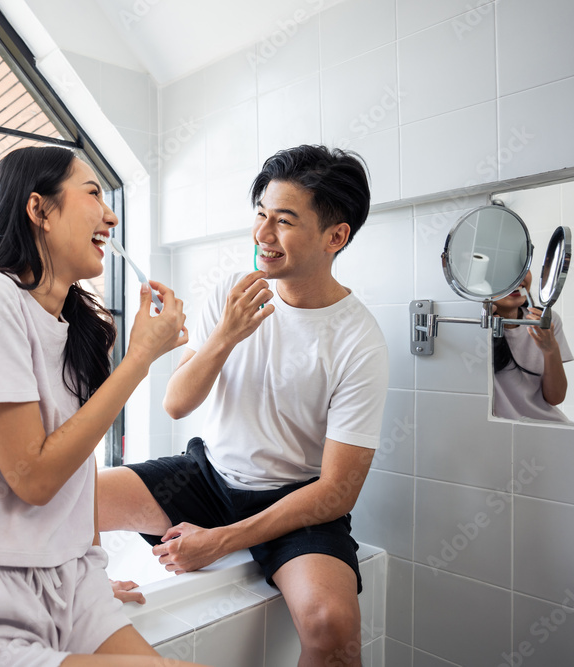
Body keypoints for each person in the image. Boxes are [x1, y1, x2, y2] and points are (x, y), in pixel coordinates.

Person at [0, 145, 201, 667]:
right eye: (94, 193)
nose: (111, 214)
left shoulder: (81, 334)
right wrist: (141, 356)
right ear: (39, 210)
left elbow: (79, 470)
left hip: (65, 584)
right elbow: (33, 476)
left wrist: (87, 573)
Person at [99, 145, 389, 666]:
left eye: (284, 221)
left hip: (294, 506)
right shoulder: (231, 295)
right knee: (70, 499)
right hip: (207, 478)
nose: (262, 234)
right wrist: (224, 336)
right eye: (260, 215)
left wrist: (221, 541)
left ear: (335, 236)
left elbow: (338, 491)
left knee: (334, 627)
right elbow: (176, 404)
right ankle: (71, 597)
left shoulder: (358, 340)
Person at [491, 271, 571, 423]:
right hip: (500, 433)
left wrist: (550, 349)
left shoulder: (547, 321)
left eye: (523, 265)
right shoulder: (472, 326)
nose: (517, 276)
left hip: (547, 429)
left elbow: (555, 397)